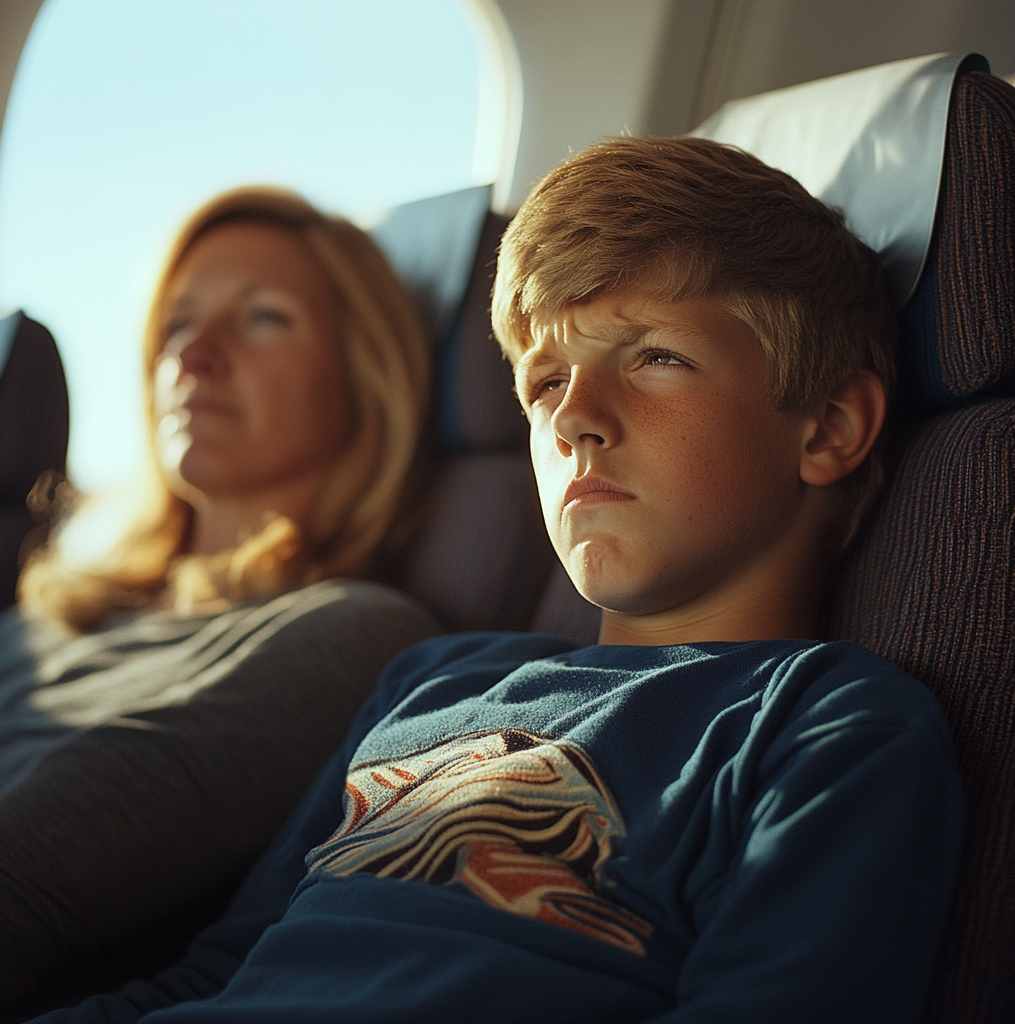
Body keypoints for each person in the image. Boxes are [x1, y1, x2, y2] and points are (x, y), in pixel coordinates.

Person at [32, 138, 963, 1024]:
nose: (575, 419)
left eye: (657, 358)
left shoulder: (829, 726)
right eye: (545, 382)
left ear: (830, 427)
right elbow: (216, 971)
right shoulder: (435, 681)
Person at [0, 187, 441, 1010]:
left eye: (263, 317)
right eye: (175, 322)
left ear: (363, 374)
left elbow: (17, 888)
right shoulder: (60, 606)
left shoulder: (353, 632)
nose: (191, 355)